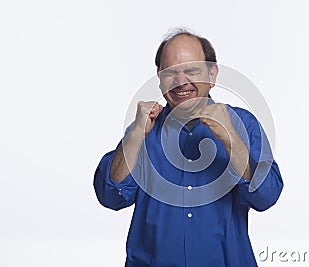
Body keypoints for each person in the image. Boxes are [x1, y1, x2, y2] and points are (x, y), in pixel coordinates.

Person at [94, 28, 283, 267]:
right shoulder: (143, 130)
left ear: (212, 74)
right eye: (170, 72)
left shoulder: (243, 124)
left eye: (192, 70)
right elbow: (110, 197)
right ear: (160, 78)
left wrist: (229, 138)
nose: (181, 82)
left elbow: (266, 196)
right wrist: (134, 135)